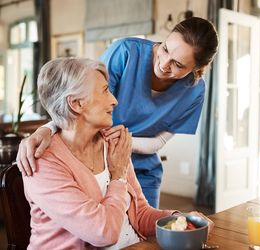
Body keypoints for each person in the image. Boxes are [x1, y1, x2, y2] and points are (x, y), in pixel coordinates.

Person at [17, 17, 219, 208]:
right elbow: (80, 100)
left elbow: (159, 142)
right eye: (165, 49)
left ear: (197, 68)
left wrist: (122, 145)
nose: (164, 64)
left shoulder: (194, 91)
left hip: (142, 171)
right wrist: (47, 129)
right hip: (94, 164)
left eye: (178, 64)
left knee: (144, 238)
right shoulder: (126, 52)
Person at [22, 58, 213, 249]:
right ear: (76, 104)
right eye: (105, 91)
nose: (114, 100)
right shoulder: (42, 163)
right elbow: (104, 233)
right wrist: (118, 177)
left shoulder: (112, 144)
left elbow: (140, 214)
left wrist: (178, 219)